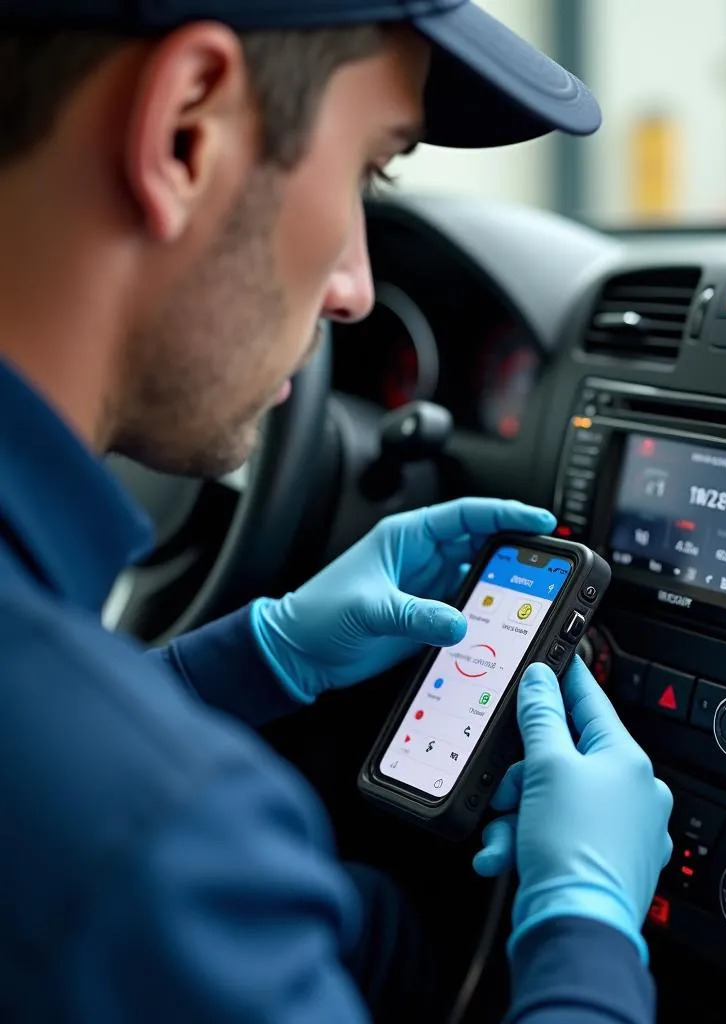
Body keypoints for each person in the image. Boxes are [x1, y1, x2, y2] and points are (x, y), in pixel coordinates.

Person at [0, 1, 674, 1021]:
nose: (356, 290)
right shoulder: (162, 852)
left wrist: (257, 656)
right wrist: (582, 926)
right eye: (368, 166)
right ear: (186, 129)